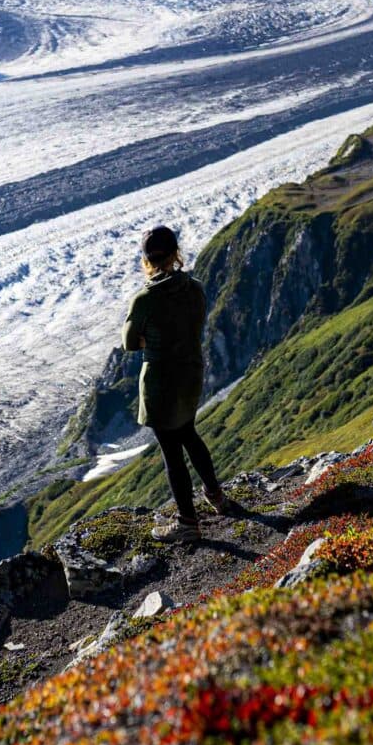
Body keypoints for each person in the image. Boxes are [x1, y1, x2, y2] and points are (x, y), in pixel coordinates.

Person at [121, 225, 234, 544]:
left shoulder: (145, 298)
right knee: (189, 434)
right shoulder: (194, 287)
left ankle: (187, 523)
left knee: (172, 453)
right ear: (175, 254)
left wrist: (148, 337)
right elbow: (195, 323)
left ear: (146, 259)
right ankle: (217, 497)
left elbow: (130, 342)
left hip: (160, 383)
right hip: (190, 374)